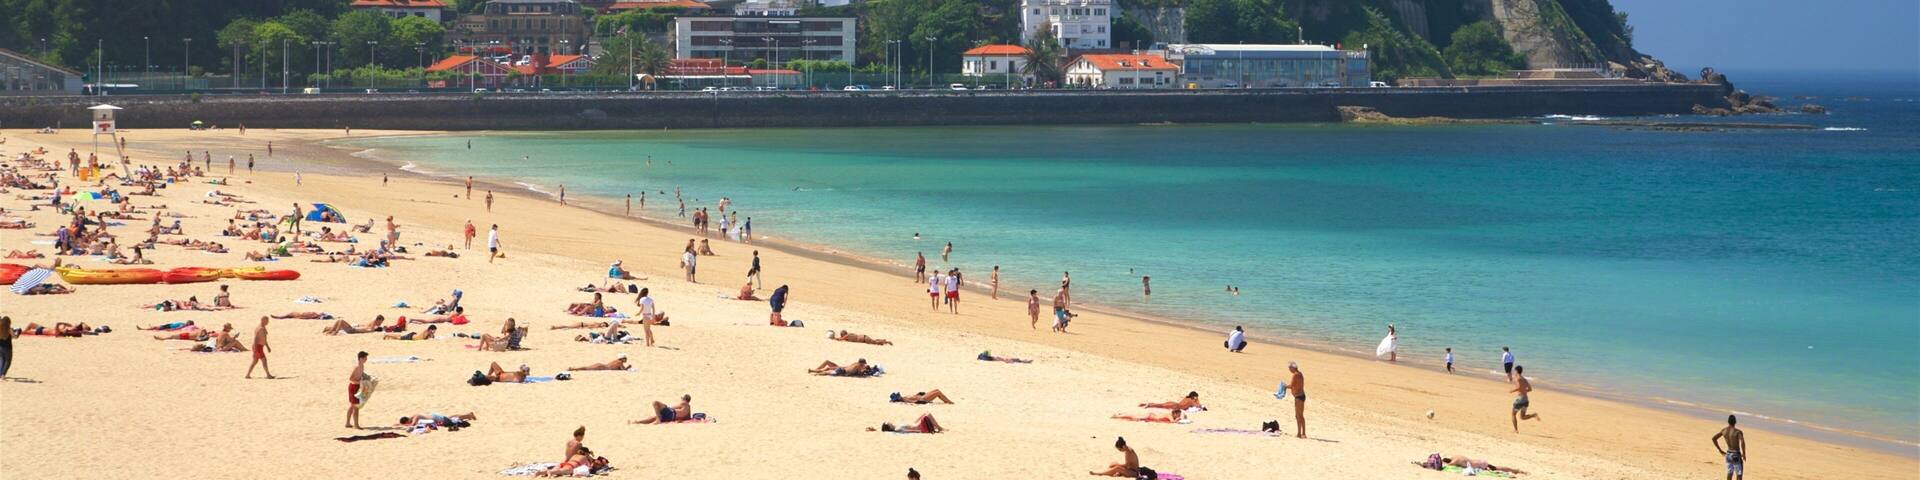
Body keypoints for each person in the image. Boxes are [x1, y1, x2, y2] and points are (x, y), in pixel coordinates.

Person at [1713, 415, 1746, 480]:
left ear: (1728, 422)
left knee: (1729, 474)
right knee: (1739, 475)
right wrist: (1744, 453)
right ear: (1735, 422)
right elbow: (1742, 441)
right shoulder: (1738, 432)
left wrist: (1720, 450)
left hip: (1728, 455)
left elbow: (1714, 438)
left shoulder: (1724, 430)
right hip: (1736, 455)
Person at [1511, 365, 1540, 432]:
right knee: (1522, 417)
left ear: (1516, 371)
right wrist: (1523, 391)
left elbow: (1518, 387)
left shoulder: (1517, 378)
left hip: (1520, 400)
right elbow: (1530, 389)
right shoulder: (1524, 379)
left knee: (1513, 414)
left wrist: (1512, 390)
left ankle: (1516, 430)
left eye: (1514, 371)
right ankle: (1533, 415)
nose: (1514, 372)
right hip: (1526, 400)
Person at [346, 351, 369, 429]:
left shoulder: (362, 366)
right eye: (365, 358)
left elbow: (360, 376)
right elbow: (351, 378)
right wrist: (360, 382)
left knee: (352, 406)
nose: (366, 359)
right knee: (356, 407)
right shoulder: (357, 367)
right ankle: (356, 425)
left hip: (357, 386)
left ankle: (347, 423)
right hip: (353, 387)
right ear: (361, 358)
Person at [1287, 361, 1307, 438]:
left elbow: (1291, 385)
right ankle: (1303, 433)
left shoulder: (1295, 375)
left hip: (1298, 397)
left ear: (1293, 368)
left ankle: (1299, 433)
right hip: (1302, 395)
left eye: (1289, 368)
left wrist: (1284, 386)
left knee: (1298, 416)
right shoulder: (1300, 374)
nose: (1289, 370)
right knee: (1301, 415)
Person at [870, 414, 944, 434]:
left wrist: (875, 429)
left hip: (915, 424)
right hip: (919, 427)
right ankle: (940, 428)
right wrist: (918, 431)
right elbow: (909, 431)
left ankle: (937, 427)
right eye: (888, 423)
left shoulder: (896, 427)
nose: (889, 422)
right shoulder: (897, 429)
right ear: (889, 426)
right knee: (928, 415)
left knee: (925, 413)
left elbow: (884, 430)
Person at [809, 358, 874, 377]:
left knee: (828, 369)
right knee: (828, 372)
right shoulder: (859, 366)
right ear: (862, 363)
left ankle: (813, 370)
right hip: (842, 370)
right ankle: (816, 373)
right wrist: (866, 370)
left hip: (842, 368)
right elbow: (861, 373)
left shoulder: (855, 363)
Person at [1110, 410, 1183, 423]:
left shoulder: (1169, 414)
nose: (1179, 416)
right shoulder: (1169, 415)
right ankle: (1118, 416)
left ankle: (1120, 415)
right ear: (1175, 413)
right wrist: (1178, 419)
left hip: (1150, 416)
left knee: (1134, 416)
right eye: (1178, 414)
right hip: (1150, 416)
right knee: (1134, 417)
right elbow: (1172, 422)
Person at [889, 390, 954, 405]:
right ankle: (949, 402)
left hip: (922, 397)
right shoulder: (904, 399)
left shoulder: (903, 397)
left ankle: (947, 401)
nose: (899, 395)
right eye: (898, 395)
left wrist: (918, 394)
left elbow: (913, 398)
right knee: (938, 392)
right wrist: (922, 402)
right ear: (898, 398)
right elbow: (913, 401)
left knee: (937, 390)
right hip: (923, 399)